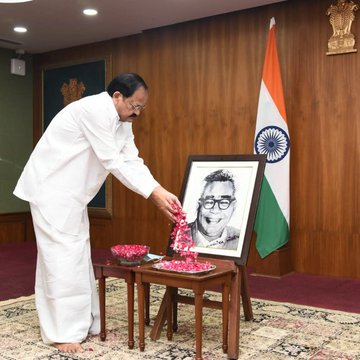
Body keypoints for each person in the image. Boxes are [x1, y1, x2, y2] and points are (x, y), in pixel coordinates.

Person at [13, 73, 181, 353]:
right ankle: (62, 333)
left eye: (141, 108)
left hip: (72, 196)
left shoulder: (121, 121)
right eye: (134, 106)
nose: (137, 113)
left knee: (77, 255)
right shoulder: (93, 110)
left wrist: (158, 189)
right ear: (117, 96)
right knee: (61, 259)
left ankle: (84, 323)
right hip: (51, 191)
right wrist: (153, 194)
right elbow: (112, 160)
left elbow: (131, 159)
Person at [188, 169, 239, 250]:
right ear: (198, 205)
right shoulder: (180, 236)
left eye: (224, 202)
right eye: (209, 201)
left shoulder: (239, 239)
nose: (215, 210)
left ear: (233, 207)